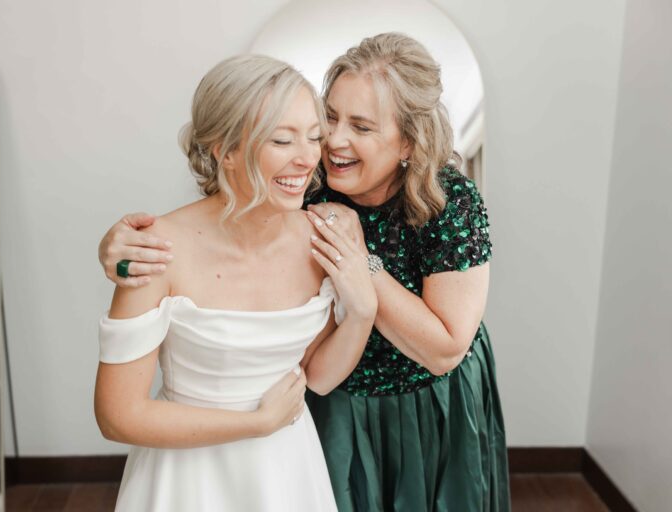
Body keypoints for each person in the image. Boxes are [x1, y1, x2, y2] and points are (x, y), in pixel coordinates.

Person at [99, 33, 510, 511]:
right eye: (329, 119)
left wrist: (359, 270)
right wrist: (118, 247)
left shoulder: (447, 202)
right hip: (325, 407)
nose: (330, 143)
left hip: (429, 400)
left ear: (409, 142)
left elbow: (444, 350)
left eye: (360, 126)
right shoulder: (307, 183)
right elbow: (228, 213)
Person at [94, 54, 379, 512]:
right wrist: (256, 424)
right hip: (185, 477)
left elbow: (319, 377)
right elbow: (117, 415)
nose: (309, 159)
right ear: (224, 150)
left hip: (288, 470)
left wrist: (363, 311)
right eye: (283, 139)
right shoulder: (154, 250)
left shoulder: (327, 233)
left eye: (313, 137)